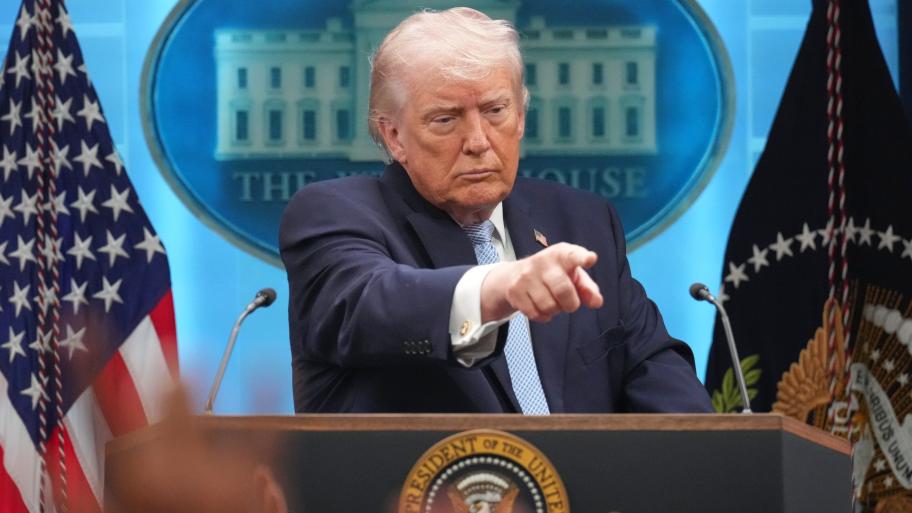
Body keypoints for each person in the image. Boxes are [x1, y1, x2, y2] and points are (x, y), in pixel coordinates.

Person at [279, 7, 713, 414]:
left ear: (520, 116)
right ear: (394, 137)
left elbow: (653, 369)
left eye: (495, 111)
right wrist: (498, 287)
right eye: (445, 119)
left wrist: (718, 450)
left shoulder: (582, 221)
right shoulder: (336, 213)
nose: (478, 141)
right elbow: (370, 305)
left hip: (582, 475)